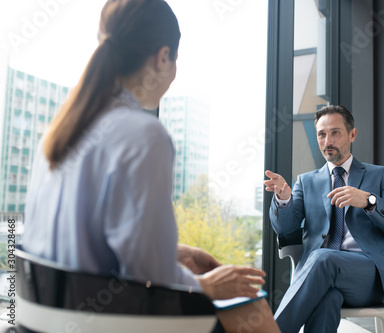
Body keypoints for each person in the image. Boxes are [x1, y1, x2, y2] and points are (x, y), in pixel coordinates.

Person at [23, 1, 280, 332]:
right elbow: (153, 278)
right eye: (175, 60)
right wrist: (208, 285)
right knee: (251, 308)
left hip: (51, 319)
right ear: (162, 57)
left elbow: (81, 247)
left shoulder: (60, 133)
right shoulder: (143, 134)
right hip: (111, 322)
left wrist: (174, 252)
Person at [264, 105, 384, 332]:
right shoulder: (306, 182)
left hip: (367, 276)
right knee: (328, 299)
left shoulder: (379, 175)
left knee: (324, 258)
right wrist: (284, 199)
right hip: (322, 277)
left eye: (335, 132)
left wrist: (369, 202)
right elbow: (285, 228)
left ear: (352, 134)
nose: (327, 141)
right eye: (321, 134)